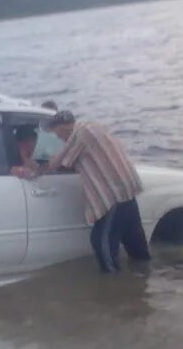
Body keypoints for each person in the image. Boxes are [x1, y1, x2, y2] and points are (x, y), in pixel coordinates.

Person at [20, 110, 151, 273]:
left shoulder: (81, 134)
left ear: (61, 128)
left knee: (101, 242)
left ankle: (113, 287)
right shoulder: (94, 127)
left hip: (112, 194)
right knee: (134, 241)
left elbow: (58, 164)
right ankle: (144, 282)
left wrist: (28, 168)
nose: (58, 138)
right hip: (126, 189)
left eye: (56, 134)